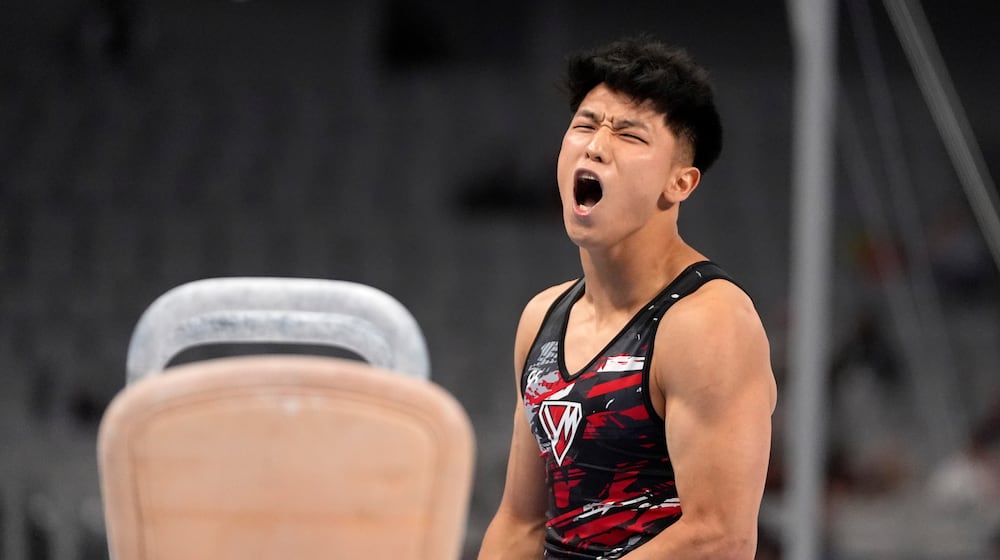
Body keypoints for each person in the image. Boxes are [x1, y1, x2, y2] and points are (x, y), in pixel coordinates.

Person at [477, 35, 777, 560]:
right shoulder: (542, 319)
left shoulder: (707, 321)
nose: (595, 145)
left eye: (629, 135)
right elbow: (521, 521)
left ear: (679, 183)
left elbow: (720, 538)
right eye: (585, 125)